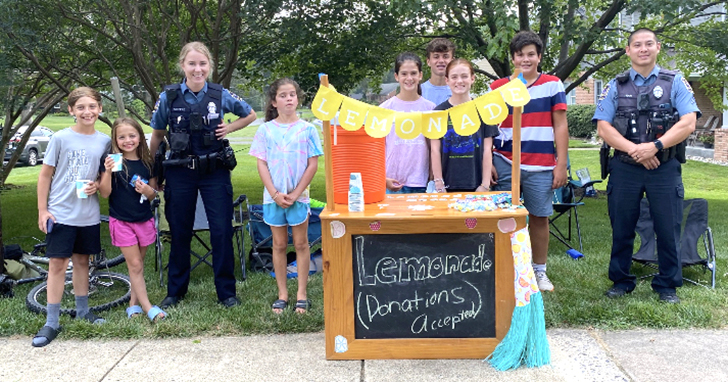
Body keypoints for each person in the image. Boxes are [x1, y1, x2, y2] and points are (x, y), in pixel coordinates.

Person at [593, 28, 699, 304]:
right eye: (637, 45)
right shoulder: (614, 85)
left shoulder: (676, 82)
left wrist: (656, 146)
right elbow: (603, 127)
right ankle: (621, 280)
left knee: (667, 226)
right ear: (628, 51)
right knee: (622, 226)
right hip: (625, 167)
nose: (643, 49)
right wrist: (636, 150)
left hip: (663, 167)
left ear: (658, 47)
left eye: (648, 44)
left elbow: (688, 122)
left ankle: (667, 285)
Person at [149, 41, 257, 309]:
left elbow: (251, 114)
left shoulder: (221, 95)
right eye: (192, 64)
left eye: (203, 64)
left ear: (209, 66)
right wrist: (153, 173)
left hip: (214, 172)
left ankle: (226, 293)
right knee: (179, 231)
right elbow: (157, 135)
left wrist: (229, 128)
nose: (198, 69)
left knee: (221, 231)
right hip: (180, 173)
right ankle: (176, 291)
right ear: (183, 66)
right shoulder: (169, 97)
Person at [490, 31, 569, 292]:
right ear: (513, 58)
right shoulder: (498, 87)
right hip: (504, 160)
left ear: (539, 57)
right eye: (520, 54)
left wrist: (561, 164)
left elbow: (560, 126)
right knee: (503, 217)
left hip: (541, 164)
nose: (526, 59)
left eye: (531, 54)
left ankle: (539, 271)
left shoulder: (553, 84)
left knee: (539, 217)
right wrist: (489, 161)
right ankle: (503, 268)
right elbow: (490, 128)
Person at [33, 87, 111, 347]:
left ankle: (83, 310)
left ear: (100, 109)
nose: (87, 112)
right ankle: (51, 322)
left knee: (82, 263)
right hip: (61, 212)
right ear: (71, 110)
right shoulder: (60, 138)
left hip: (87, 214)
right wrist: (43, 210)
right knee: (57, 265)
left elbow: (104, 177)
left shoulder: (104, 141)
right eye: (81, 107)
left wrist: (97, 185)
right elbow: (45, 175)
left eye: (92, 106)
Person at [249, 78, 323, 314]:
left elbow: (313, 164)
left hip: (298, 198)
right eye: (283, 95)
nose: (289, 98)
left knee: (301, 244)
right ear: (274, 101)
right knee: (279, 245)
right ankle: (283, 293)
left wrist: (295, 193)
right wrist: (275, 193)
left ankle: (301, 293)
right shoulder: (265, 130)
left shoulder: (308, 129)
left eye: (292, 94)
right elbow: (261, 163)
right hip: (273, 198)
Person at [99, 117, 166, 321]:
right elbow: (104, 193)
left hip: (143, 220)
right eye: (122, 137)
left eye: (132, 136)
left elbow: (154, 194)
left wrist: (148, 190)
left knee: (137, 265)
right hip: (121, 220)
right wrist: (108, 171)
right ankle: (148, 308)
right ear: (115, 139)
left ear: (139, 137)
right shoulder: (113, 161)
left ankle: (133, 305)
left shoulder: (148, 162)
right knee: (135, 264)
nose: (127, 140)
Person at [431, 59, 499, 193]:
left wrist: (485, 185)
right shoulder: (438, 112)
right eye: (454, 77)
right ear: (447, 80)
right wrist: (439, 184)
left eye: (464, 76)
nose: (459, 81)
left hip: (476, 185)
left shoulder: (484, 111)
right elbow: (434, 150)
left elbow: (487, 150)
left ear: (472, 78)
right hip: (447, 186)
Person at [381, 52, 436, 193]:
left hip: (420, 181)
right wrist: (383, 178)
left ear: (420, 75)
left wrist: (432, 174)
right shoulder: (385, 109)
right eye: (404, 74)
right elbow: (377, 149)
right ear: (396, 76)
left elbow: (434, 147)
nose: (409, 78)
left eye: (413, 73)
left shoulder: (430, 108)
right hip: (391, 181)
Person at [421, 38, 456, 105]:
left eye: (445, 57)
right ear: (428, 61)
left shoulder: (459, 92)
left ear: (452, 61)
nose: (441, 61)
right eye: (436, 57)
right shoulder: (418, 92)